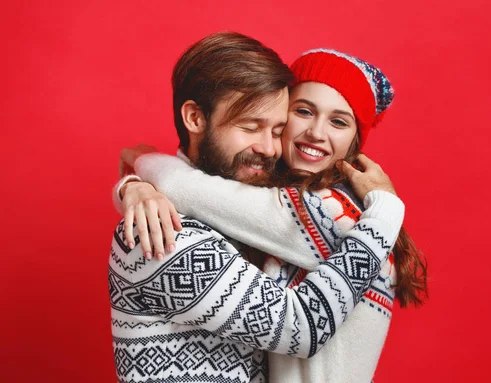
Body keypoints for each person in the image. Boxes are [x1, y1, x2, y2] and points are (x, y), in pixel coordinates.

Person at [109, 32, 406, 383]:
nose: (269, 148)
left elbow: (188, 188)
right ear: (195, 119)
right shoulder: (162, 233)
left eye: (276, 129)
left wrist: (139, 170)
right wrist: (136, 183)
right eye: (251, 126)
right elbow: (300, 327)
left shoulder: (333, 215)